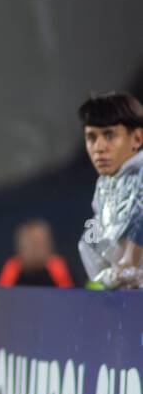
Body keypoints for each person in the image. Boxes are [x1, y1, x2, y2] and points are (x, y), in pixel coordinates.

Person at [78, 92, 143, 289]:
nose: (99, 147)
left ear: (137, 138)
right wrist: (110, 277)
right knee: (87, 240)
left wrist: (129, 261)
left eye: (109, 135)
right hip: (129, 298)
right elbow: (97, 237)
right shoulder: (104, 185)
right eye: (91, 137)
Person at [0, 219, 74, 288]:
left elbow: (73, 296)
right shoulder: (11, 270)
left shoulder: (59, 268)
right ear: (20, 247)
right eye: (31, 245)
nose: (35, 251)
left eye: (40, 244)